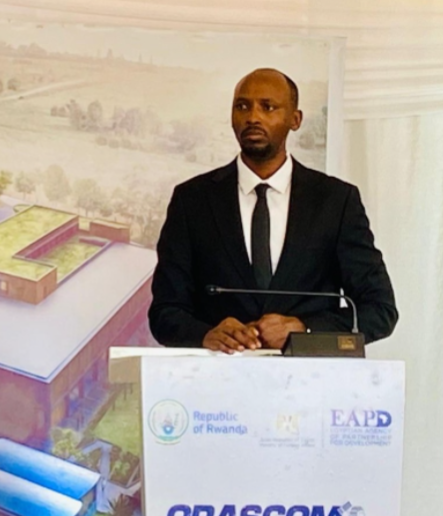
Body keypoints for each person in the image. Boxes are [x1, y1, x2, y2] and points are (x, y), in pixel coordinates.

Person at [149, 68, 397, 353]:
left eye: (267, 107)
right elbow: (165, 313)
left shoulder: (336, 201)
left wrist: (305, 330)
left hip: (309, 378)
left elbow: (379, 309)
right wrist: (205, 334)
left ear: (295, 119)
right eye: (242, 106)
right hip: (216, 376)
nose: (252, 117)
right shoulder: (192, 200)